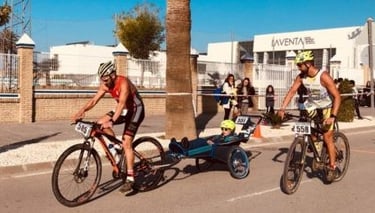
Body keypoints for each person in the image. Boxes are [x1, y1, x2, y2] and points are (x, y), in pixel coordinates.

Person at [72, 61, 145, 192]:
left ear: (112, 75)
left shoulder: (123, 83)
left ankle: (130, 177)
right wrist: (82, 111)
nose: (104, 82)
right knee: (99, 124)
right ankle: (116, 148)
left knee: (127, 142)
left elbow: (122, 104)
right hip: (123, 110)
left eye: (105, 79)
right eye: (102, 79)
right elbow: (94, 100)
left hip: (135, 110)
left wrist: (111, 121)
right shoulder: (105, 85)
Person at [277, 50, 341, 182]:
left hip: (326, 108)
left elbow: (337, 96)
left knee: (327, 136)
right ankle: (317, 150)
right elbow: (292, 91)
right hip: (311, 106)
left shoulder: (323, 76)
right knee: (307, 129)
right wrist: (282, 108)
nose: (298, 68)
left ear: (308, 64)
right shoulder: (301, 77)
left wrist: (333, 116)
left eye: (300, 65)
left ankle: (332, 167)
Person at [169, 120, 241, 155]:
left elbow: (225, 144)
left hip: (215, 148)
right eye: (222, 128)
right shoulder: (220, 135)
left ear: (231, 130)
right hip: (211, 144)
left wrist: (212, 142)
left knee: (201, 141)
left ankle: (185, 147)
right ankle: (179, 144)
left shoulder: (232, 138)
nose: (223, 130)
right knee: (199, 140)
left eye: (226, 129)